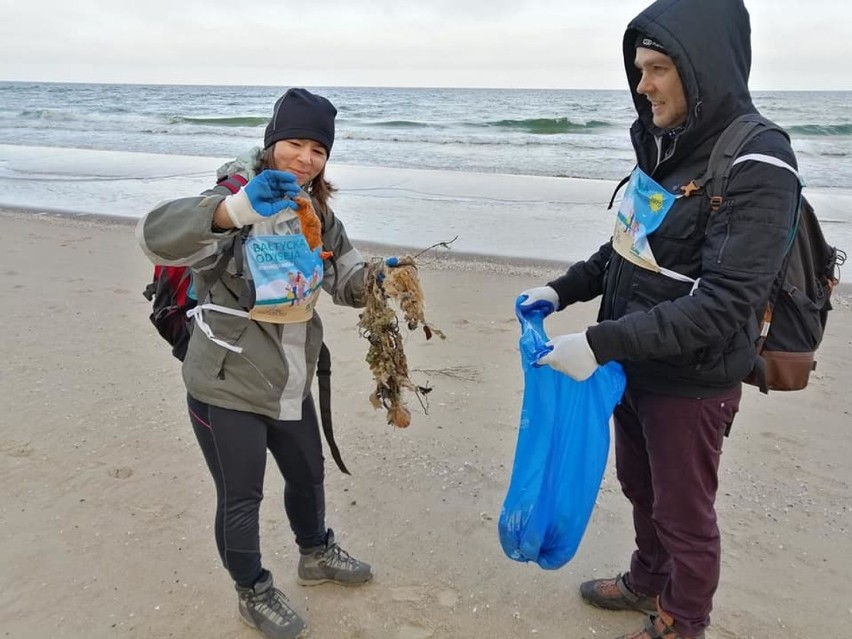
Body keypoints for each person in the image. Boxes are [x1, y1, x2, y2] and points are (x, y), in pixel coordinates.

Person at [518, 1, 801, 638]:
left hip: (691, 379)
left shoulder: (758, 162)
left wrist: (597, 341)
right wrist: (559, 290)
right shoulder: (665, 146)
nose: (642, 86)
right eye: (639, 69)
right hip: (630, 363)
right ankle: (648, 580)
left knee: (684, 514)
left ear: (703, 68)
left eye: (659, 69)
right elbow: (625, 248)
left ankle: (683, 621)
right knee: (639, 488)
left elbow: (726, 302)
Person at [137, 88, 377, 639]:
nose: (305, 158)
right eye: (294, 143)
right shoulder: (231, 198)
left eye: (318, 149)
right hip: (226, 380)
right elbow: (154, 237)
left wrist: (380, 282)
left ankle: (315, 554)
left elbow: (344, 278)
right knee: (242, 496)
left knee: (308, 474)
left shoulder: (317, 211)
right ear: (271, 144)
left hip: (291, 375)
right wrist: (236, 209)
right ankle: (253, 590)